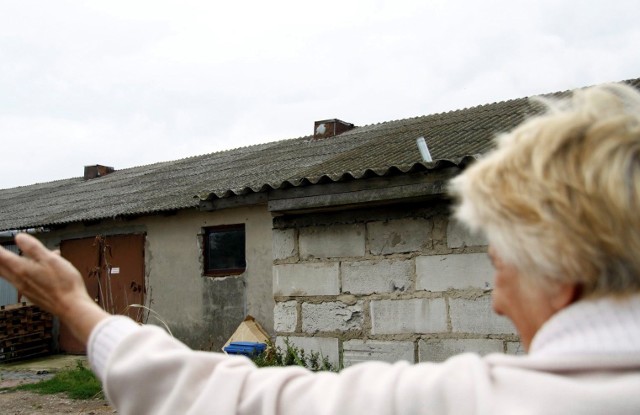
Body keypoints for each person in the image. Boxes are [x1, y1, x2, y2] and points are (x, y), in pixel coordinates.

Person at [1, 82, 640, 414]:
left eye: (500, 265)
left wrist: (77, 308)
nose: (498, 305)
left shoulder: (486, 401)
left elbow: (226, 400)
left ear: (562, 272)